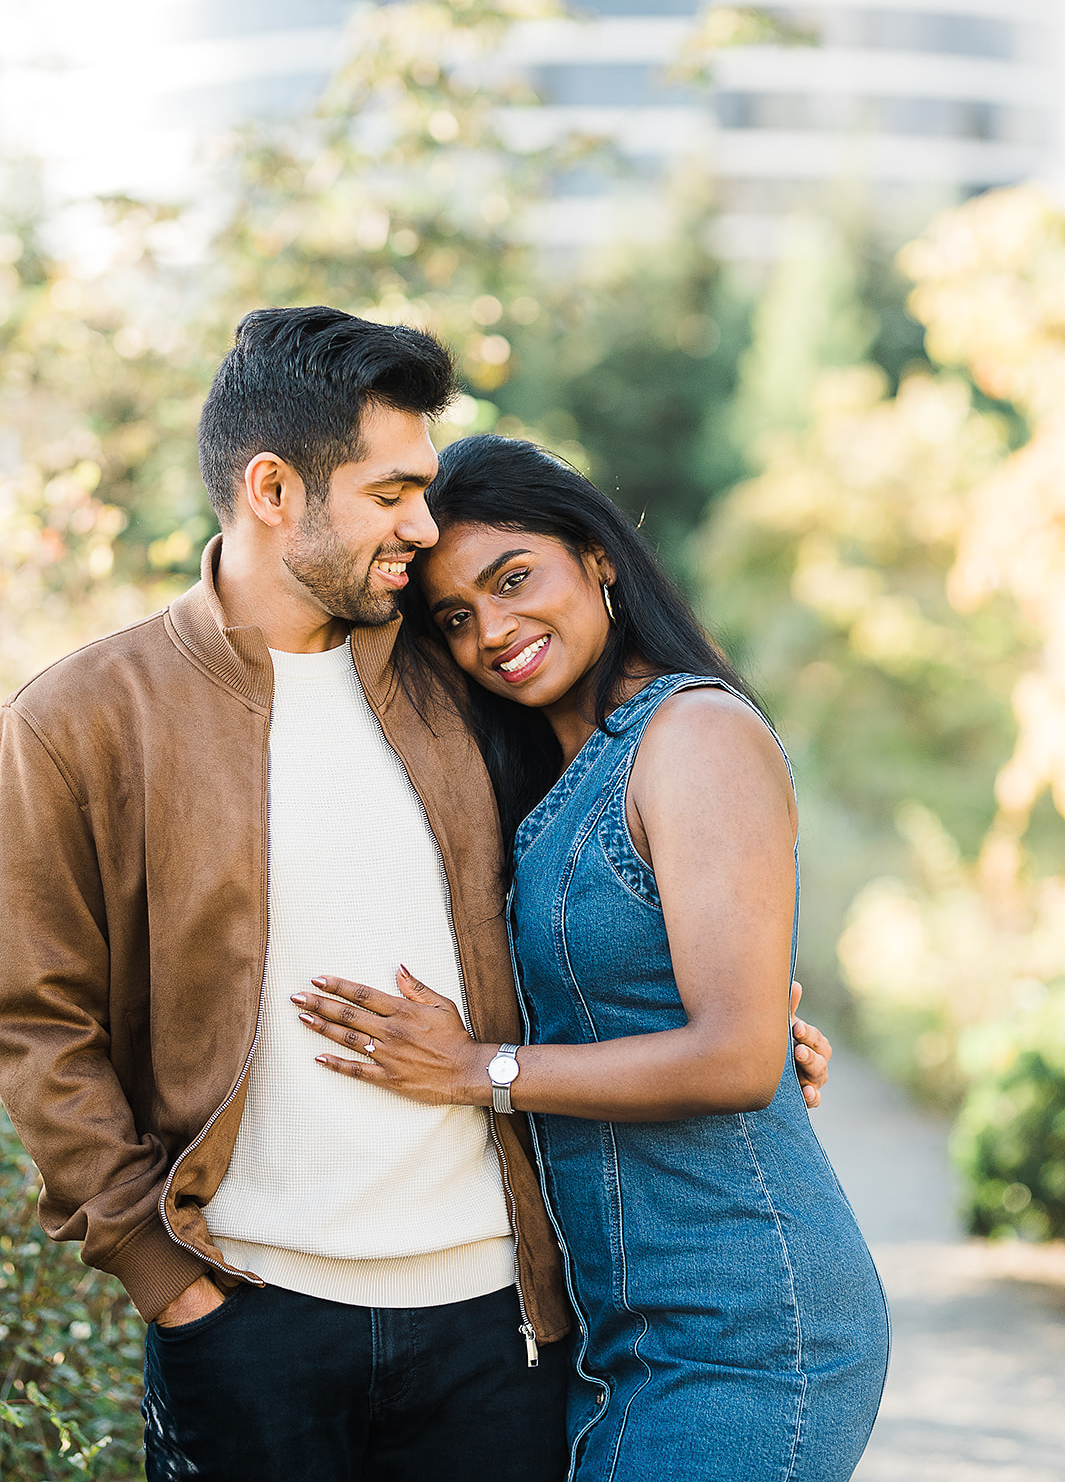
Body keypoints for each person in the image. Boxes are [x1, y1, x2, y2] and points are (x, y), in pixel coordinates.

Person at [0, 307, 830, 1482]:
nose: (424, 527)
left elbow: (602, 896)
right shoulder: (82, 719)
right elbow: (39, 1017)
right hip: (246, 1319)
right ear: (275, 489)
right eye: (393, 494)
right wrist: (162, 1278)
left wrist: (733, 1026)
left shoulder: (461, 685)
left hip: (497, 1325)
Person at [292, 433, 890, 1482]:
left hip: (748, 1329)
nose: (495, 632)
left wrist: (480, 1071)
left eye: (514, 578)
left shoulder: (693, 733)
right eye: (456, 618)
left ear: (599, 558)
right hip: (622, 1331)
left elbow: (738, 1059)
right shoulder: (558, 773)